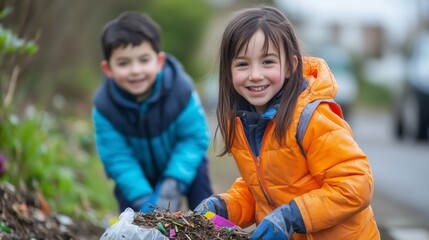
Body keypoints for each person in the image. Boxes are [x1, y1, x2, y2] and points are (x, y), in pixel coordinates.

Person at [195, 6, 380, 240]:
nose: (255, 74)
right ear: (228, 72)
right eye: (243, 64)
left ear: (291, 65)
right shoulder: (244, 122)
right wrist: (223, 207)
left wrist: (293, 216)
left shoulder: (312, 118)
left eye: (268, 62)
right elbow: (263, 189)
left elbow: (356, 184)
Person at [93, 11, 213, 213]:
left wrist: (172, 183)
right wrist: (144, 200)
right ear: (108, 69)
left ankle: (210, 225)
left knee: (200, 174)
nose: (135, 70)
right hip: (137, 176)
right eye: (123, 63)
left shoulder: (181, 91)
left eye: (143, 60)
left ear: (159, 62)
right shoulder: (105, 108)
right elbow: (118, 158)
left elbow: (194, 139)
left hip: (181, 167)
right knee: (127, 198)